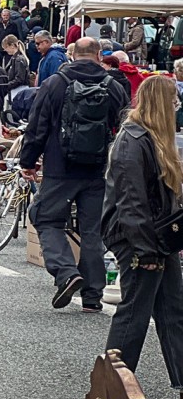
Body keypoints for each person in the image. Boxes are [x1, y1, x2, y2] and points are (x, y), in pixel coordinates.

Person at [19, 37, 129, 311]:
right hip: (97, 170)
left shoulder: (55, 84)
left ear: (72, 55)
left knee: (45, 217)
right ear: (98, 55)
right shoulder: (113, 86)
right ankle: (92, 297)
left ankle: (66, 273)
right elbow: (126, 126)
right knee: (92, 230)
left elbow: (38, 126)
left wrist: (28, 161)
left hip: (60, 167)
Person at [103, 74, 183, 384]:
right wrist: (145, 249)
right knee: (136, 310)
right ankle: (114, 383)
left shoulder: (148, 138)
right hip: (137, 237)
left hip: (156, 236)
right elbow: (131, 202)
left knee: (173, 308)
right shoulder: (132, 141)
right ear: (162, 106)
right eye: (173, 103)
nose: (176, 108)